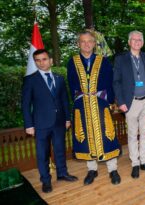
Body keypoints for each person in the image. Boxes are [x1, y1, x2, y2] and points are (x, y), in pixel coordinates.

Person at [67, 31, 121, 186]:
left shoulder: (103, 61)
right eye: (83, 41)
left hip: (100, 104)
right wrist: (79, 97)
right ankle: (92, 169)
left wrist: (108, 100)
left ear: (94, 43)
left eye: (89, 41)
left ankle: (113, 169)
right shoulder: (73, 62)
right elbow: (71, 84)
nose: (86, 44)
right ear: (78, 44)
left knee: (107, 135)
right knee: (85, 137)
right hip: (82, 105)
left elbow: (110, 82)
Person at [22, 49, 78, 193]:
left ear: (51, 60)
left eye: (44, 59)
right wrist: (29, 125)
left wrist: (67, 118)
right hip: (40, 124)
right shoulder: (30, 79)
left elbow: (65, 100)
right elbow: (25, 103)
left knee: (60, 150)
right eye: (38, 60)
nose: (41, 62)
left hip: (59, 122)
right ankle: (46, 180)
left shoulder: (59, 78)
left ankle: (62, 173)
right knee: (43, 153)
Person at [113, 30, 145, 179]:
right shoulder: (121, 59)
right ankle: (135, 164)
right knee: (132, 135)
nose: (137, 42)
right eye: (134, 40)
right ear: (129, 42)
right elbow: (116, 82)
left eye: (140, 40)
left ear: (142, 43)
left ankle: (144, 161)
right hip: (130, 103)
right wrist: (121, 102)